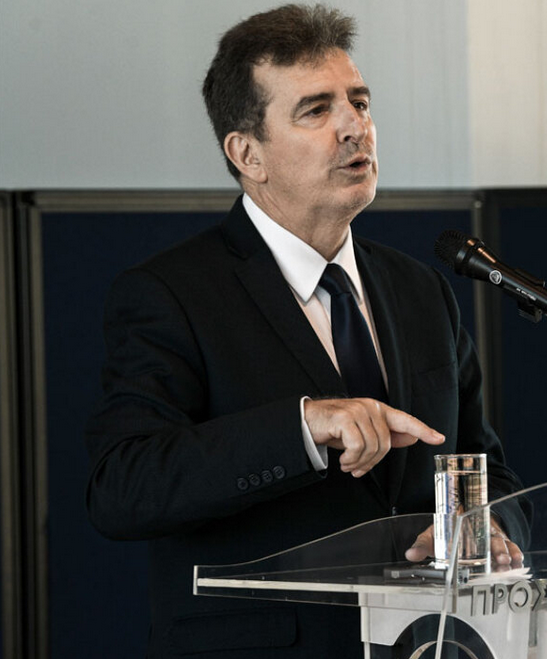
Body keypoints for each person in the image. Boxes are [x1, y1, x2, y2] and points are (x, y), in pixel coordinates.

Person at [84, 5, 524, 657]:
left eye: (359, 103)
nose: (354, 126)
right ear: (247, 154)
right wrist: (303, 427)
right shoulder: (171, 293)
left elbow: (489, 468)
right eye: (316, 110)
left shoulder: (420, 290)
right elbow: (123, 488)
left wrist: (491, 527)